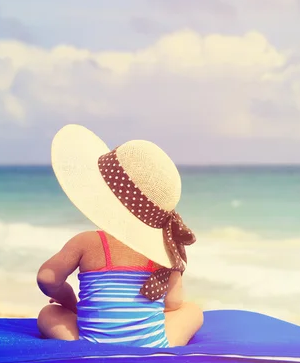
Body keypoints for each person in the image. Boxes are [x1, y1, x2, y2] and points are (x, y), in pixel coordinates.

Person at [36, 124, 203, 348]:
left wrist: (69, 302)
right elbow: (172, 303)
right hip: (152, 345)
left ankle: (82, 346)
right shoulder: (166, 251)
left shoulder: (85, 242)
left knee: (49, 313)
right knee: (192, 310)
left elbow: (47, 278)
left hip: (92, 342)